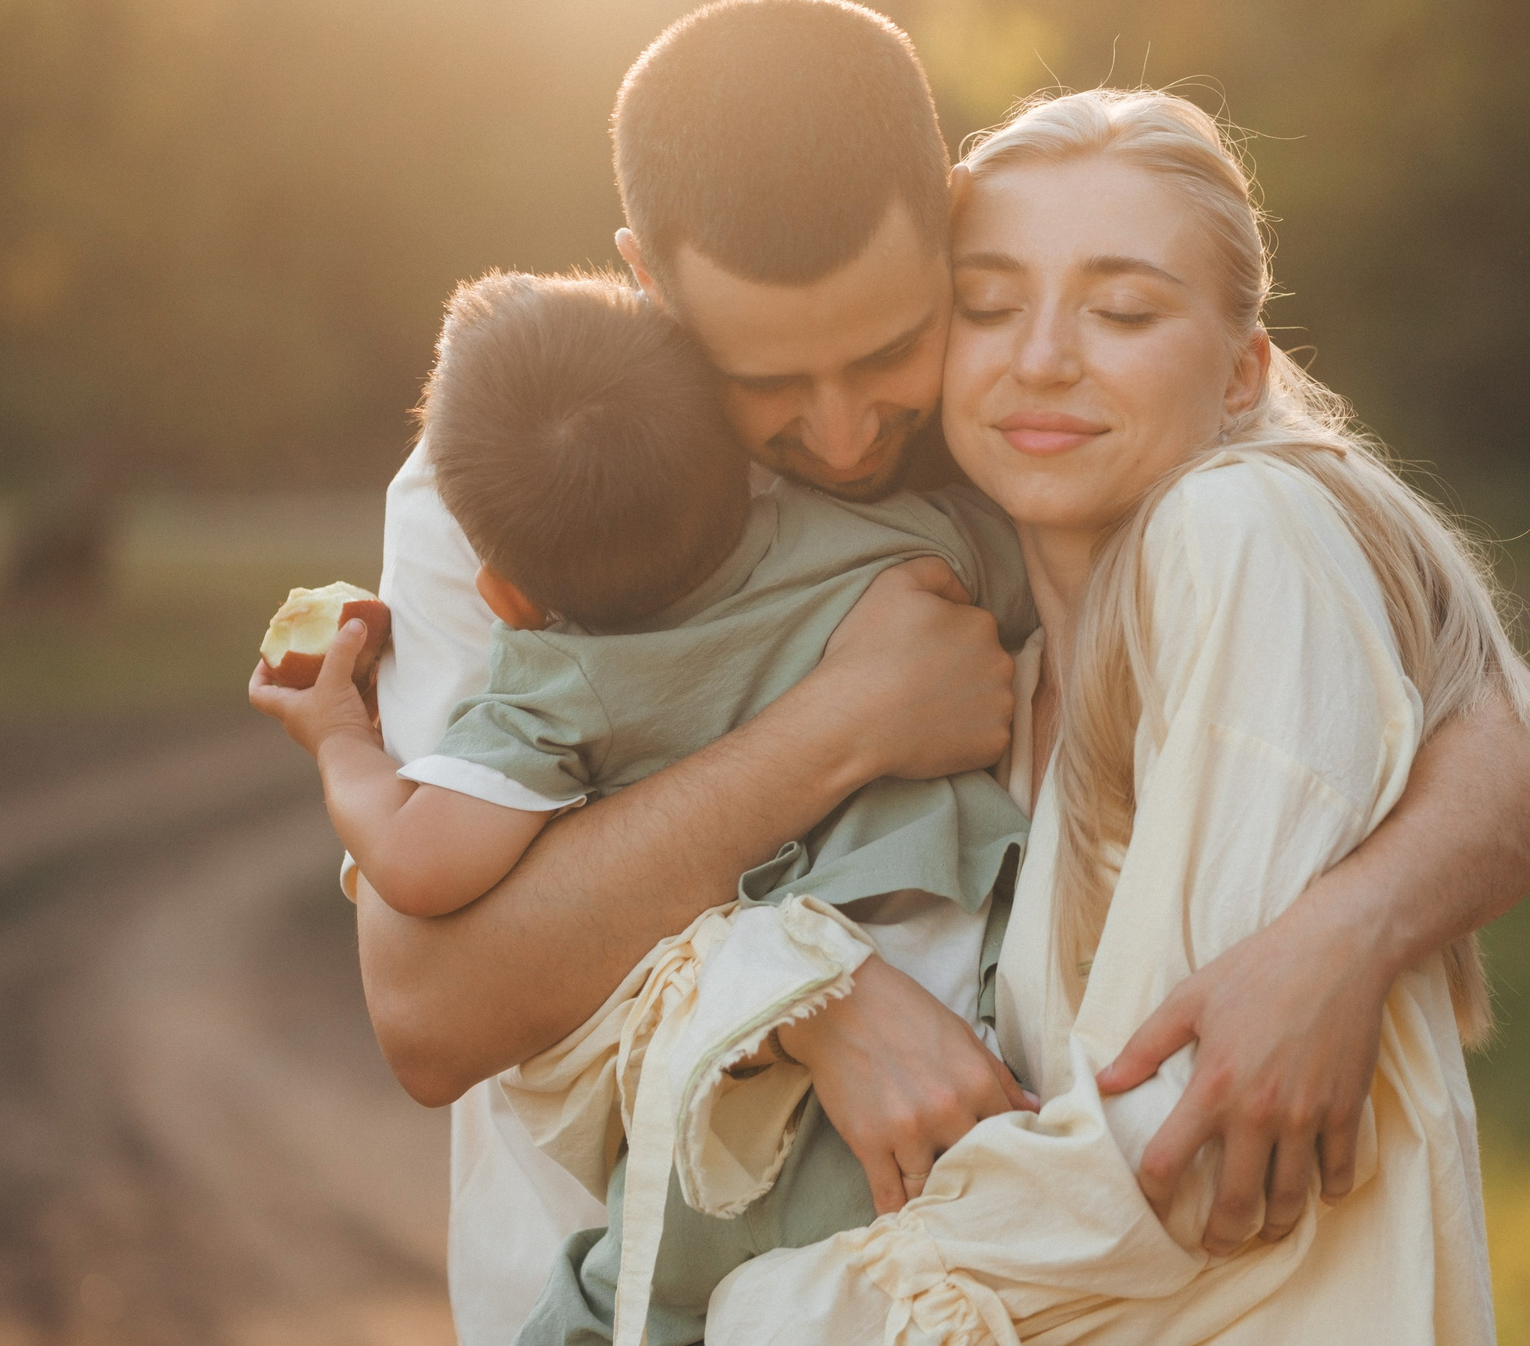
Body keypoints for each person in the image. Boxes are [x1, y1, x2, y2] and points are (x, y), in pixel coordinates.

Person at [352, 0, 1530, 1339]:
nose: (841, 431)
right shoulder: (522, 477)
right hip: (625, 1257)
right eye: (767, 379)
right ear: (648, 286)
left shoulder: (1043, 383)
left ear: (951, 217)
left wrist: (1340, 935)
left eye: (892, 347)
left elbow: (1517, 737)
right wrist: (844, 737)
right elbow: (435, 1004)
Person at [709, 86, 1530, 1343]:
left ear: (1243, 371)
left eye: (1124, 309)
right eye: (987, 305)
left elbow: (1187, 1148)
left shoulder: (1237, 532)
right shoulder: (1009, 680)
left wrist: (782, 1312)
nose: (1040, 355)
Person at [250, 268, 1036, 1344]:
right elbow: (427, 1020)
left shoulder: (551, 682)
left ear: (507, 598)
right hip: (967, 1025)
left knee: (635, 1289)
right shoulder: (898, 540)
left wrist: (340, 737)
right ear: (744, 462)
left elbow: (423, 866)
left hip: (741, 1117)